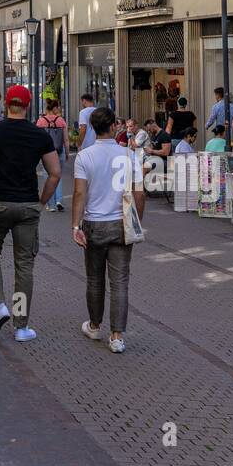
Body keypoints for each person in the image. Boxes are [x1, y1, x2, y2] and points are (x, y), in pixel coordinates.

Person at [0, 85, 61, 341]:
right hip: (28, 204)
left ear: (7, 104)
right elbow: (55, 174)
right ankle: (21, 326)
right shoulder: (39, 135)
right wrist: (41, 201)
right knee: (24, 265)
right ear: (28, 105)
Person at [72, 106, 145, 354]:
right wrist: (137, 221)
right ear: (114, 126)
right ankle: (116, 336)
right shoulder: (129, 155)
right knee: (120, 281)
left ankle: (94, 325)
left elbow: (80, 193)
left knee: (94, 278)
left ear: (92, 128)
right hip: (121, 224)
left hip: (94, 223)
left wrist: (75, 225)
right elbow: (139, 192)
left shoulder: (84, 157)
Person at [36, 99, 69, 210]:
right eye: (58, 107)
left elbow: (38, 139)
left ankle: (51, 205)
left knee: (48, 176)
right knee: (58, 176)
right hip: (60, 151)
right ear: (54, 108)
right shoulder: (61, 120)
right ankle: (59, 200)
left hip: (46, 152)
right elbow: (66, 139)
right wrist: (67, 153)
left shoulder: (41, 121)